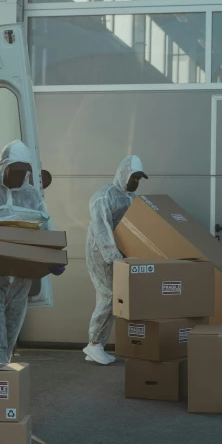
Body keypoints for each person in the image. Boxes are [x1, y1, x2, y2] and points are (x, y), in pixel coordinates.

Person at [0, 140, 62, 364]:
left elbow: (47, 227)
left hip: (21, 282)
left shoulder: (32, 195)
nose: (21, 177)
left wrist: (54, 255)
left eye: (25, 172)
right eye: (17, 171)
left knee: (9, 341)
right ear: (4, 168)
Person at [83, 155, 148, 365]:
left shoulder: (131, 198)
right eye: (134, 178)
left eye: (139, 179)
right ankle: (94, 344)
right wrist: (113, 256)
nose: (136, 182)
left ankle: (96, 345)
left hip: (120, 255)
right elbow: (102, 229)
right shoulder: (104, 197)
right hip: (101, 253)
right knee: (110, 296)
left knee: (112, 296)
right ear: (123, 174)